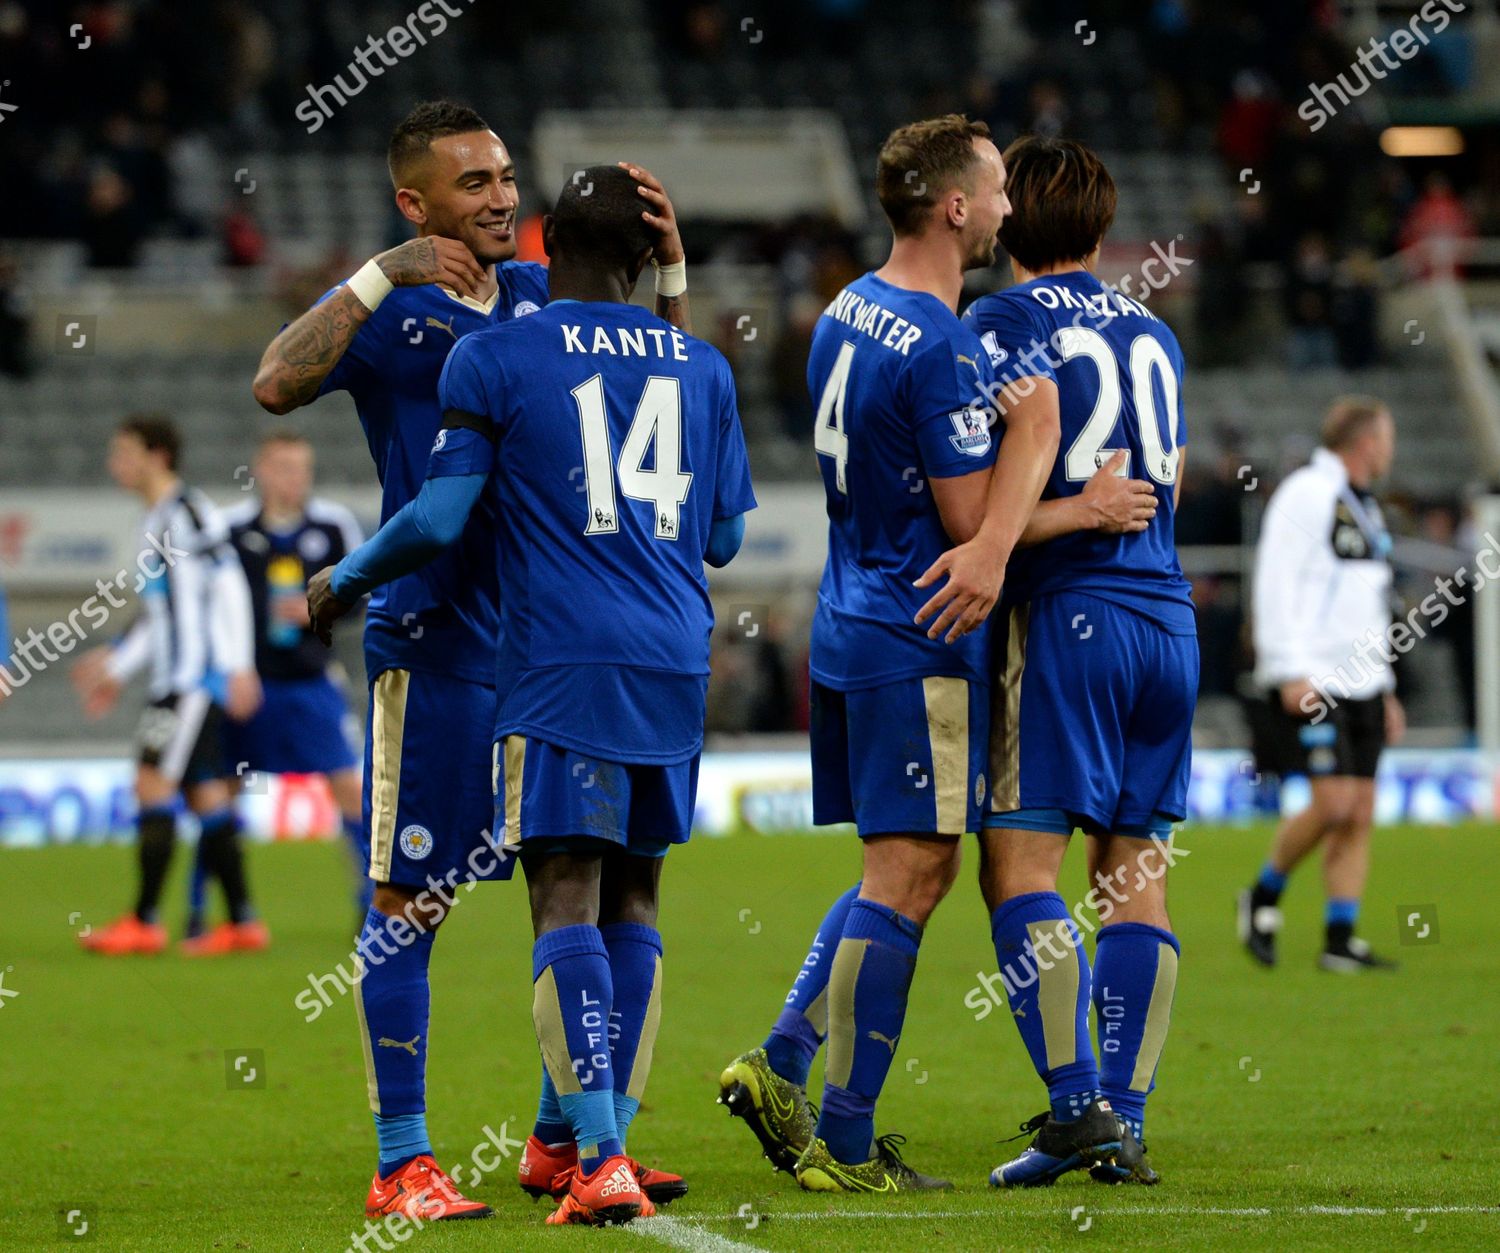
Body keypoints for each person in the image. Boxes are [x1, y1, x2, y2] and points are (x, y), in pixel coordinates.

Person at [252, 101, 692, 1222]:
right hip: (434, 647)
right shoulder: (391, 316)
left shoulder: (548, 301)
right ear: (416, 203)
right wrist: (376, 273)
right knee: (411, 901)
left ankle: (571, 1142)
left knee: (586, 894)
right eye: (473, 184)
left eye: (506, 176)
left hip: (549, 654)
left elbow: (670, 380)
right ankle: (403, 1159)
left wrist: (672, 268)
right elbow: (273, 383)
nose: (501, 197)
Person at [718, 116, 1153, 1195]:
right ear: (954, 205)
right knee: (916, 873)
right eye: (997, 187)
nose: (1009, 206)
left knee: (894, 869)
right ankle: (847, 1139)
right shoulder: (940, 340)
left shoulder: (844, 310)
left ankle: (780, 1061)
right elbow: (972, 536)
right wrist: (1052, 461)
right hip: (919, 631)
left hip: (852, 609)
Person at [958, 136, 1197, 1188]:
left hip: (1069, 616)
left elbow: (987, 498)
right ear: (1103, 229)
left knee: (1018, 869)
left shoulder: (995, 322)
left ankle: (1077, 1103)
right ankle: (1125, 1119)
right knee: (1132, 872)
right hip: (1169, 617)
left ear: (1008, 221)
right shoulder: (1156, 332)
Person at [71, 415, 267, 955]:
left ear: (157, 456)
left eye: (125, 452)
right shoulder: (154, 519)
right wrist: (115, 668)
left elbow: (228, 586)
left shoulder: (186, 513)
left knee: (150, 783)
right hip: (174, 679)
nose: (116, 463)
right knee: (203, 794)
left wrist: (239, 665)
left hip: (192, 682)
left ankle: (145, 920)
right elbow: (159, 617)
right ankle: (244, 922)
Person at [1240, 397, 1404, 973]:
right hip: (1316, 676)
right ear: (1366, 441)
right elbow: (1276, 581)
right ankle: (1262, 894)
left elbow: (1366, 604)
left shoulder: (1365, 507)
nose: (1390, 448)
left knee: (1359, 810)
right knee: (1332, 803)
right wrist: (1288, 668)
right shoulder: (1308, 493)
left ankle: (1340, 937)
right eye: (1386, 437)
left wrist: (1384, 687)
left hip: (1363, 681)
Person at [214, 430, 368, 927]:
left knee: (350, 789)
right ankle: (221, 913)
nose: (293, 478)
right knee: (218, 792)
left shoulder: (333, 525)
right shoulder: (230, 529)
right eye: (282, 467)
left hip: (311, 681)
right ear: (260, 470)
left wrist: (318, 609)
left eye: (301, 468)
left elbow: (366, 593)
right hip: (248, 686)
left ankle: (370, 907)